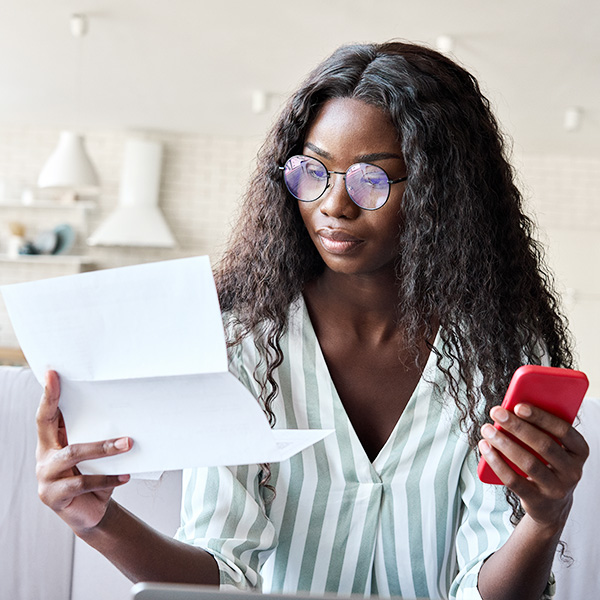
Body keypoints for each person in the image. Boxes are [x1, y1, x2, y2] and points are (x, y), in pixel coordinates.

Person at [35, 42, 588, 600]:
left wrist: (543, 519)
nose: (333, 204)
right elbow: (222, 572)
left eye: (371, 180)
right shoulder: (244, 345)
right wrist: (96, 521)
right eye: (312, 171)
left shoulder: (498, 352)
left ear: (442, 192)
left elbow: (484, 587)